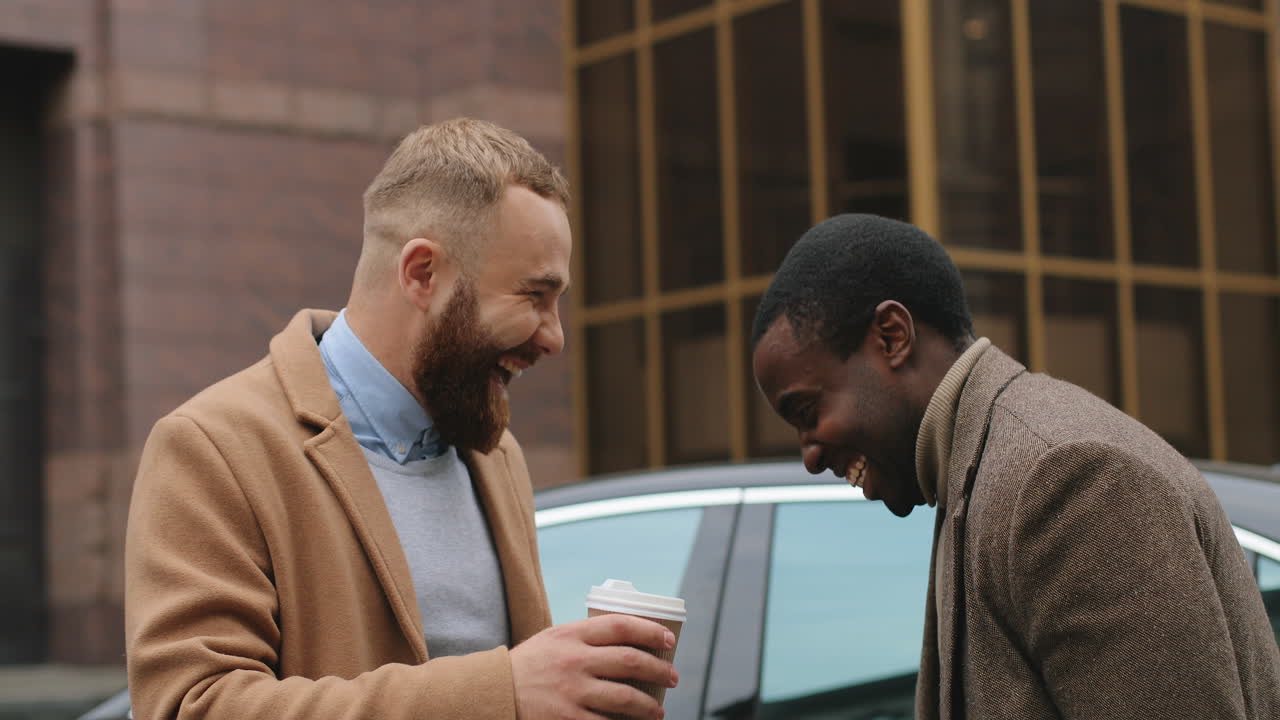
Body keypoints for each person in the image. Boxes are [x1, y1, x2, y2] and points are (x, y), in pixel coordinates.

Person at [125, 118, 677, 720]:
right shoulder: (211, 448)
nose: (554, 337)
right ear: (422, 274)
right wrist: (503, 691)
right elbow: (191, 706)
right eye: (533, 296)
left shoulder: (497, 454)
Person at [750, 213, 1279, 719]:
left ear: (892, 336)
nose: (810, 456)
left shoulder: (1067, 478)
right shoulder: (979, 470)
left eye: (807, 412)